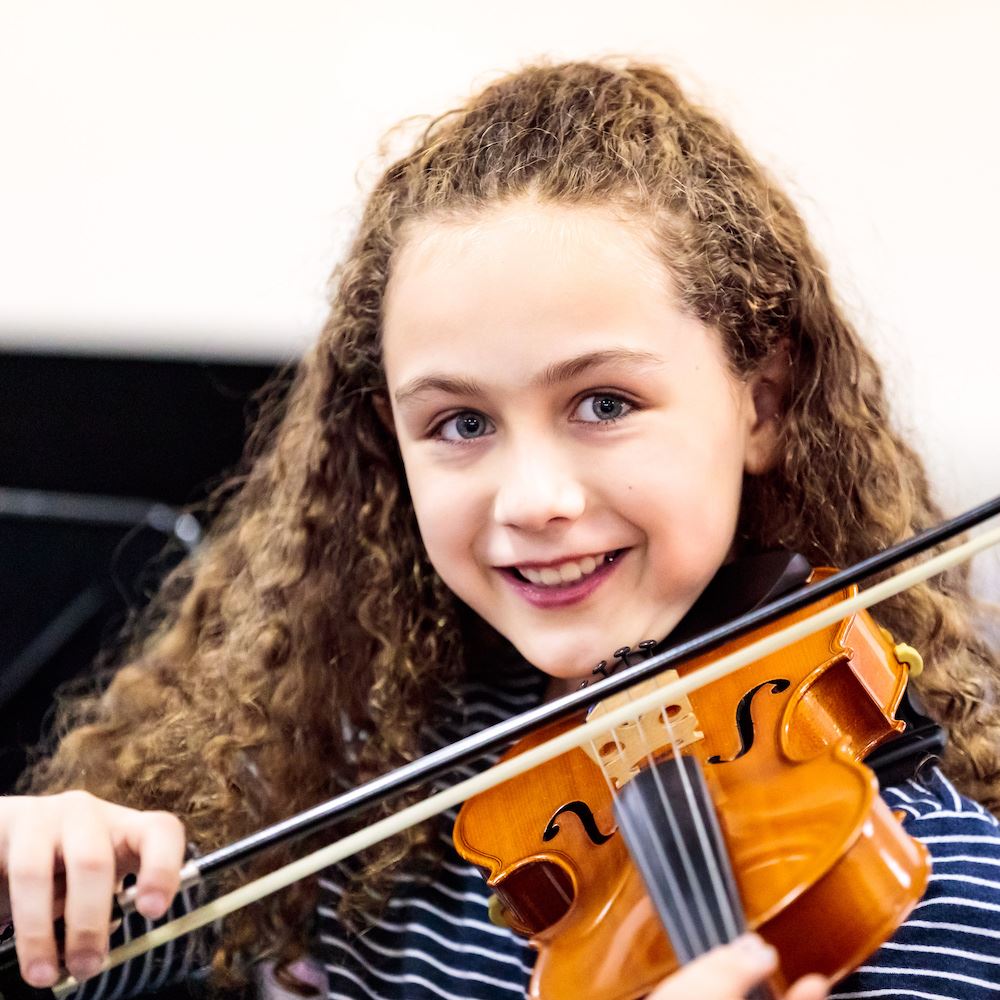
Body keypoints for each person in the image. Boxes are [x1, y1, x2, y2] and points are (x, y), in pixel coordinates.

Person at [3, 59, 999, 1000]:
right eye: (462, 423)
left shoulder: (936, 902)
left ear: (764, 402)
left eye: (603, 402)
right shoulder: (353, 780)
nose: (531, 498)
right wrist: (46, 881)